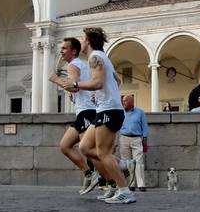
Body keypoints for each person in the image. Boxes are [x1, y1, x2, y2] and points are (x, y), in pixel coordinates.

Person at [62, 27, 136, 204]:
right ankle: (122, 169)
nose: (82, 41)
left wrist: (76, 84)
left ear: (88, 41)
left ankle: (125, 190)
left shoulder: (95, 57)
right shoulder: (102, 57)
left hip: (109, 111)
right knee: (85, 147)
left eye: (83, 38)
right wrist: (103, 92)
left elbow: (97, 82)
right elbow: (115, 80)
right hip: (104, 109)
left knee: (103, 153)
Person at [49, 38, 99, 194]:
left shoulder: (73, 65)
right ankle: (89, 173)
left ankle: (120, 169)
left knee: (89, 150)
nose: (61, 51)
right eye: (61, 48)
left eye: (64, 48)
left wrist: (56, 79)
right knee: (65, 146)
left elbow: (74, 87)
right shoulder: (81, 65)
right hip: (84, 111)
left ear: (74, 51)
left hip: (87, 111)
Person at [119, 95, 148, 192]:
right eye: (123, 101)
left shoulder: (140, 112)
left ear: (132, 102)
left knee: (139, 162)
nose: (124, 103)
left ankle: (141, 185)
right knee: (126, 163)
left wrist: (145, 137)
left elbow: (144, 125)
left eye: (125, 101)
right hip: (124, 138)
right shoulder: (121, 112)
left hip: (136, 138)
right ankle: (130, 184)